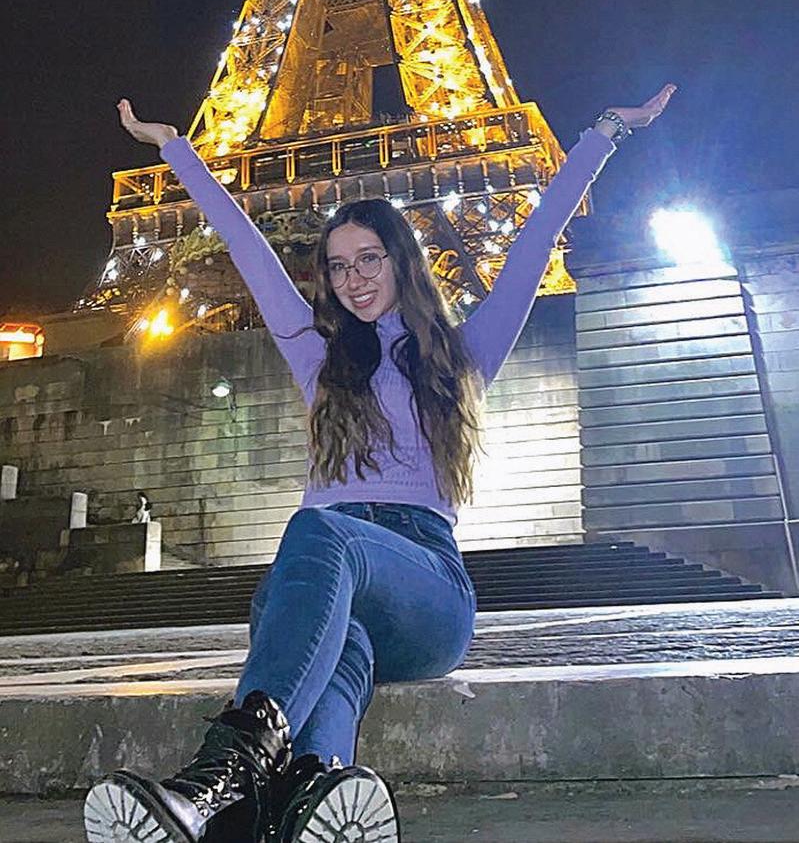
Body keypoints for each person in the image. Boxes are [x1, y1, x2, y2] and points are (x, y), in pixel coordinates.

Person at [84, 84, 675, 843]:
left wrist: (603, 132)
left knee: (319, 529)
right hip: (328, 587)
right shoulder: (320, 359)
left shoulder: (461, 355)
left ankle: (219, 776)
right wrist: (176, 149)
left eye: (369, 259)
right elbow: (245, 245)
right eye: (337, 267)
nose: (353, 278)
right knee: (338, 642)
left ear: (402, 259)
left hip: (423, 592)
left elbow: (533, 242)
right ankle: (306, 800)